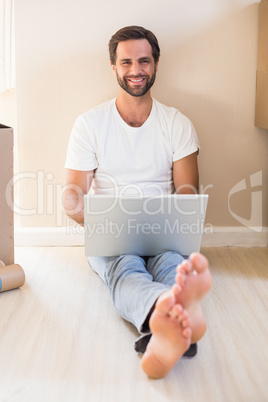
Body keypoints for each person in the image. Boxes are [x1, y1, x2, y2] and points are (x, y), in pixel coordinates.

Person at [63, 26, 212, 379]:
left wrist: (177, 218)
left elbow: (187, 190)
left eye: (144, 60)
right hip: (111, 231)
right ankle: (172, 309)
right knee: (125, 268)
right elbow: (74, 190)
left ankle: (161, 317)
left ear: (156, 63)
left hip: (165, 229)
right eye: (126, 62)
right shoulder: (90, 124)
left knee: (172, 264)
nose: (136, 70)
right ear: (113, 67)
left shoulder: (177, 123)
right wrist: (79, 208)